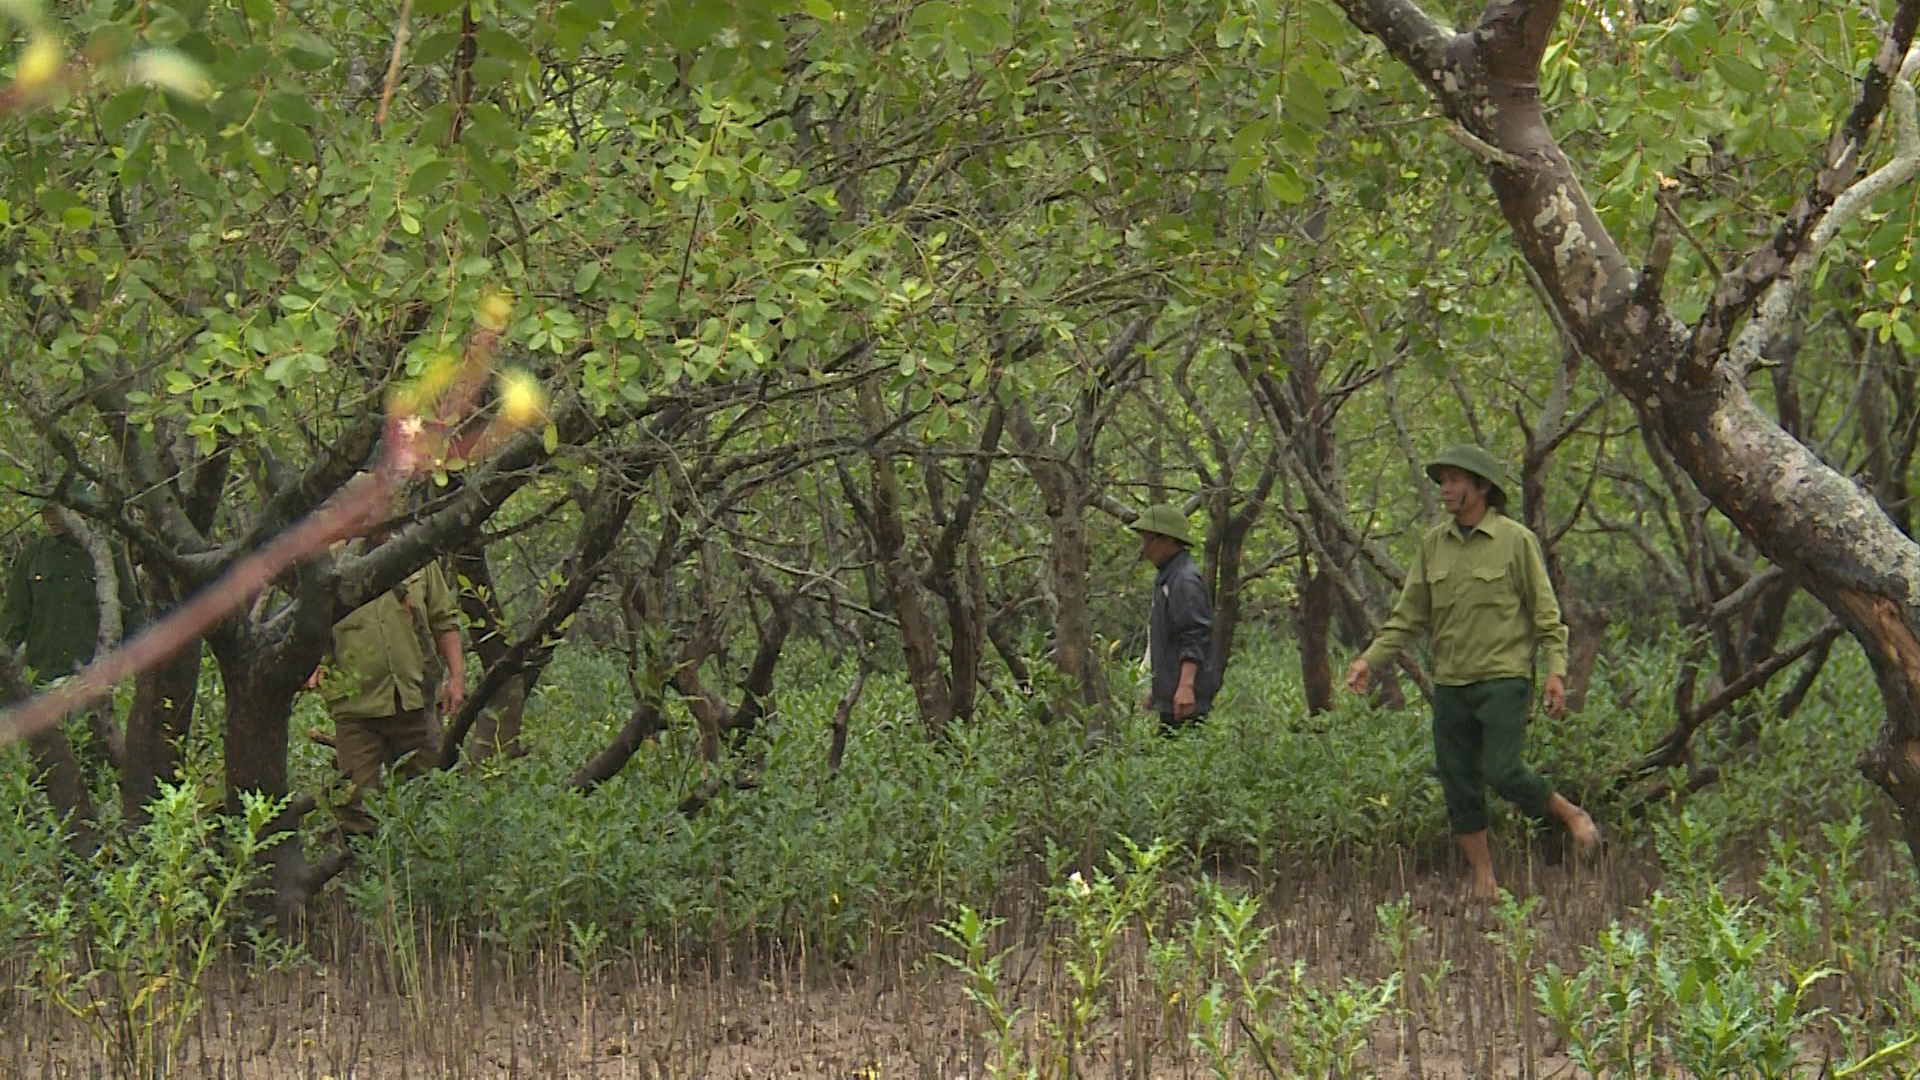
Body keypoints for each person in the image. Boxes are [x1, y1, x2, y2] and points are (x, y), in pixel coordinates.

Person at [1345, 444, 1600, 901]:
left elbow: (1547, 615)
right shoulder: (1432, 545)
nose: (1446, 489)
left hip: (1503, 679)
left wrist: (1555, 673)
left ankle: (1570, 814)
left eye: (1456, 480)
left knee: (1502, 770)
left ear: (1482, 487)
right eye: (1442, 480)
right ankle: (1484, 881)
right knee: (1458, 778)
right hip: (1451, 683)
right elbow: (1408, 616)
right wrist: (1369, 658)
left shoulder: (1515, 540)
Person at [309, 528, 466, 836]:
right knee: (353, 805)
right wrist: (310, 665)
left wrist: (457, 677)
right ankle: (362, 877)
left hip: (418, 703)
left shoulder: (417, 554)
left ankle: (428, 878)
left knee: (433, 800)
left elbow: (444, 620)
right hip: (357, 712)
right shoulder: (331, 565)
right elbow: (309, 627)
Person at [1131, 503, 1219, 732]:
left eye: (1148, 541)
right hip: (1172, 697)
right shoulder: (1167, 579)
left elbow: (1195, 635)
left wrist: (1186, 687)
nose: (1145, 549)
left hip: (1185, 701)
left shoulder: (1184, 581)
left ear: (1164, 540)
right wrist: (1157, 691)